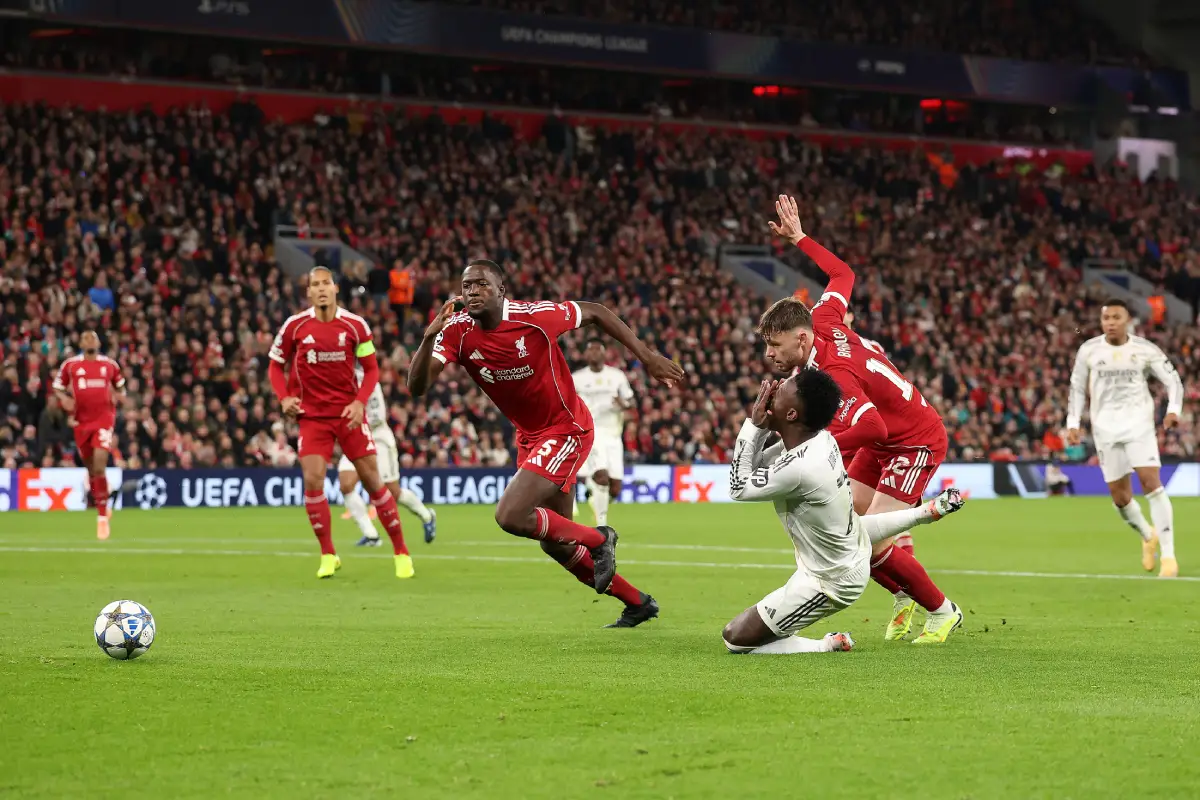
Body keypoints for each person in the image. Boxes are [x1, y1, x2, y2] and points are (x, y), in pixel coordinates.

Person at [407, 259, 684, 627]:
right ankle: (638, 603)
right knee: (555, 542)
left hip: (567, 429)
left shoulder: (535, 316)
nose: (472, 291)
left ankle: (600, 539)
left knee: (510, 515)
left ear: (501, 289)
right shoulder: (455, 331)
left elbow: (597, 312)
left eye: (481, 284)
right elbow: (417, 387)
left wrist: (647, 357)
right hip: (531, 437)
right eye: (466, 285)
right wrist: (428, 339)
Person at [762, 194, 962, 643]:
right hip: (881, 442)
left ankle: (943, 610)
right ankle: (905, 592)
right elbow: (842, 273)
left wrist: (821, 446)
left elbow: (874, 426)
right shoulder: (823, 315)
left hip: (913, 440)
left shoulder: (836, 373)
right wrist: (799, 238)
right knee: (843, 530)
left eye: (775, 346)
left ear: (800, 337)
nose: (769, 355)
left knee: (866, 540)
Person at [724, 372, 966, 654]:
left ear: (791, 414)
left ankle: (826, 645)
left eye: (778, 393)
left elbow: (738, 487)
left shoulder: (802, 468)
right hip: (838, 554)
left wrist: (754, 425)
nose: (770, 393)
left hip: (829, 582)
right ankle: (922, 532)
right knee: (753, 631)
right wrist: (924, 514)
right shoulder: (820, 440)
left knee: (735, 639)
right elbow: (758, 466)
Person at [268, 266, 414, 580]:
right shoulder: (295, 326)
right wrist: (284, 398)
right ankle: (328, 554)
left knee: (375, 483)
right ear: (308, 291)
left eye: (326, 284)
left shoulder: (355, 326)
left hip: (348, 415)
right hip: (312, 418)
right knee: (313, 481)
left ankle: (401, 551)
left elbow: (372, 370)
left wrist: (360, 402)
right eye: (314, 285)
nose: (321, 289)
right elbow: (274, 365)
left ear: (336, 288)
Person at [1067, 298, 1184, 578]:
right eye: (1106, 318)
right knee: (1120, 498)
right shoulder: (1089, 350)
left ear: (1127, 319)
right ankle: (1147, 535)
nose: (1110, 323)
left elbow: (1173, 381)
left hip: (1139, 426)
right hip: (1105, 429)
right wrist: (1072, 422)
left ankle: (1168, 556)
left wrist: (1173, 410)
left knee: (1151, 483)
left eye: (1116, 318)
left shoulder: (1144, 349)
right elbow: (1077, 388)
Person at [338, 382, 438, 546]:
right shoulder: (339, 378)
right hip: (354, 437)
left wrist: (351, 418)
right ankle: (371, 535)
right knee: (346, 485)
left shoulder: (368, 379)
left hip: (378, 438)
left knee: (392, 492)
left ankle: (427, 515)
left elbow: (377, 417)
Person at [52, 330, 124, 540]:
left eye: (93, 337)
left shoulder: (110, 365)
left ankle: (102, 518)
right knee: (92, 468)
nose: (90, 340)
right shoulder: (71, 365)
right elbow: (57, 387)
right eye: (85, 337)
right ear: (80, 343)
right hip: (81, 423)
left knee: (100, 463)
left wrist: (118, 397)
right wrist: (64, 400)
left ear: (99, 342)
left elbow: (121, 388)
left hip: (103, 420)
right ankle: (102, 501)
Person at [571, 339, 635, 525]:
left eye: (597, 350)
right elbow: (566, 403)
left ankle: (594, 494)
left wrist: (623, 404)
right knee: (602, 475)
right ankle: (602, 524)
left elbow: (631, 401)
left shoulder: (617, 376)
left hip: (614, 434)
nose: (594, 354)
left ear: (604, 354)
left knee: (615, 488)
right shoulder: (577, 378)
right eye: (590, 350)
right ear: (585, 355)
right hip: (591, 431)